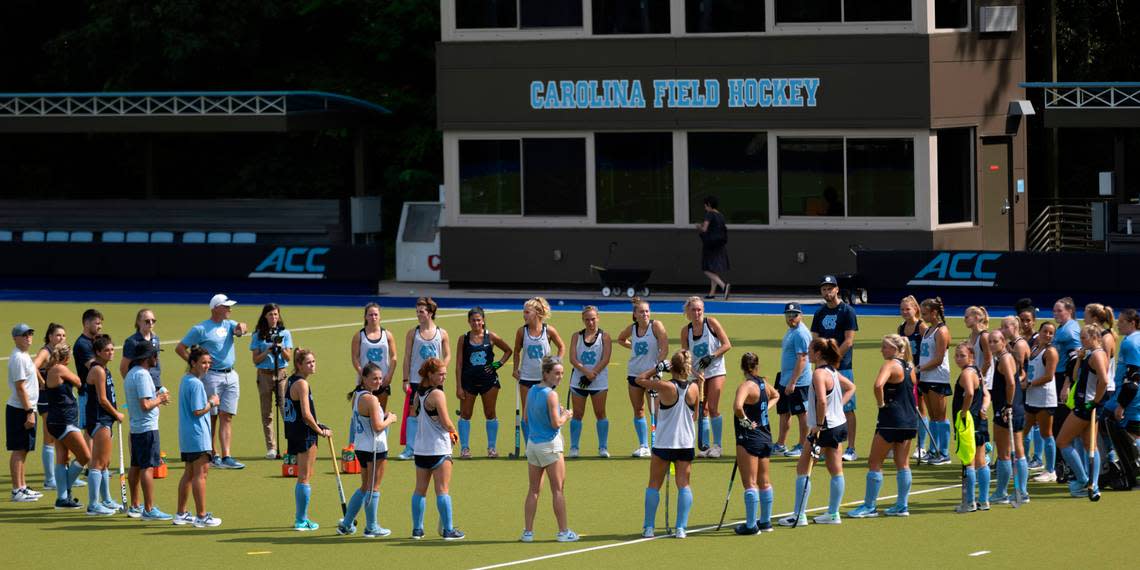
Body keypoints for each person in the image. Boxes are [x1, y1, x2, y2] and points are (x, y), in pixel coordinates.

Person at [779, 338, 855, 526]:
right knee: (836, 470)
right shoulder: (832, 371)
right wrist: (836, 408)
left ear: (818, 353)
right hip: (838, 425)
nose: (807, 354)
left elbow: (821, 401)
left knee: (803, 469)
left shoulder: (819, 374)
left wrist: (819, 426)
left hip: (824, 428)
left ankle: (799, 515)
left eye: (810, 351)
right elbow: (851, 387)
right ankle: (833, 513)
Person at [175, 294, 248, 469]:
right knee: (212, 416)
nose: (230, 309)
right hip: (211, 376)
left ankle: (227, 456)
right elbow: (180, 348)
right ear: (215, 308)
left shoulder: (229, 324)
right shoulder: (200, 329)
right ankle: (212, 454)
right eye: (226, 306)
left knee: (227, 416)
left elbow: (240, 329)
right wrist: (197, 366)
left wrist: (242, 328)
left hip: (231, 375)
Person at [848, 334, 918, 518]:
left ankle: (869, 507)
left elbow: (878, 385)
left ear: (895, 349)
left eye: (885, 347)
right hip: (909, 421)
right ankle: (902, 505)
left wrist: (881, 404)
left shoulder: (890, 365)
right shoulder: (910, 366)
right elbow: (913, 389)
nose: (881, 350)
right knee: (903, 463)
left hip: (891, 420)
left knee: (874, 462)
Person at [634, 350, 699, 539]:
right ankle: (681, 528)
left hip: (664, 443)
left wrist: (657, 368)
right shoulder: (694, 388)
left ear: (673, 367)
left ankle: (648, 527)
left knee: (654, 484)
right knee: (684, 485)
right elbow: (695, 415)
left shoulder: (664, 386)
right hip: (685, 443)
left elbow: (639, 379)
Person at [337, 363, 399, 538]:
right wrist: (391, 419)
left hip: (361, 447)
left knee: (365, 487)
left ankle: (347, 523)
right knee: (374, 487)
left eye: (380, 378)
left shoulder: (357, 395)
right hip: (374, 448)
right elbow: (378, 427)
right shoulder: (371, 399)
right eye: (374, 378)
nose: (378, 382)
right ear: (364, 379)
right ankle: (371, 527)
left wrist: (383, 416)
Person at [521, 355, 578, 543]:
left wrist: (553, 413)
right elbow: (555, 424)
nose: (560, 377)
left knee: (533, 490)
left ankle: (527, 532)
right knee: (558, 490)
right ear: (546, 373)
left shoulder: (531, 390)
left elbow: (528, 419)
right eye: (556, 373)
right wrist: (566, 415)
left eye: (561, 373)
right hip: (550, 447)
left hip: (532, 446)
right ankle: (563, 532)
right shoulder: (551, 394)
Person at [410, 357, 464, 540]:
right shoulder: (437, 395)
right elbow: (445, 420)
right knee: (442, 490)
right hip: (439, 449)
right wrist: (454, 431)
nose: (444, 377)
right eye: (440, 374)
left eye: (445, 374)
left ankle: (417, 530)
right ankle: (448, 530)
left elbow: (413, 413)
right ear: (430, 374)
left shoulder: (419, 393)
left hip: (420, 449)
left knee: (420, 490)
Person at [1057, 325, 1111, 497]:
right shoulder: (1089, 354)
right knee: (1089, 445)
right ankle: (1092, 486)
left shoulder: (1098, 355)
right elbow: (1074, 377)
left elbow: (1103, 380)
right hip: (1085, 403)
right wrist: (1080, 359)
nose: (1081, 341)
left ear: (1094, 337)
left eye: (1084, 338)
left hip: (1086, 406)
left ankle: (1082, 479)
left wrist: (1095, 402)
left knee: (1062, 441)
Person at [811, 275, 859, 462]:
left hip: (843, 366)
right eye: (824, 289)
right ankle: (824, 446)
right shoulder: (819, 313)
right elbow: (815, 338)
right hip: (823, 369)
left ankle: (851, 448)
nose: (827, 292)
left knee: (847, 407)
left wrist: (832, 358)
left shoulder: (847, 311)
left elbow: (849, 340)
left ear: (837, 289)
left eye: (830, 288)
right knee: (822, 405)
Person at [123, 342, 172, 520]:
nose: (156, 358)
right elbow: (145, 405)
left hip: (137, 428)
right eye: (154, 355)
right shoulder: (143, 375)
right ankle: (149, 509)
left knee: (136, 466)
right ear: (146, 358)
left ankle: (136, 505)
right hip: (147, 428)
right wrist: (160, 399)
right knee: (147, 468)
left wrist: (157, 398)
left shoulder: (131, 374)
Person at [732, 352, 779, 534]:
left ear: (743, 367)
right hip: (766, 437)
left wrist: (745, 421)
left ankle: (751, 525)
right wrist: (764, 411)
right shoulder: (763, 384)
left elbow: (737, 406)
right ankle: (765, 522)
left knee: (750, 483)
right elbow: (776, 395)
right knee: (764, 481)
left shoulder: (746, 386)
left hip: (749, 438)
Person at [174, 347, 222, 528]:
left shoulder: (185, 380)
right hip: (198, 436)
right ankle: (201, 516)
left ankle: (181, 513)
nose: (207, 366)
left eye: (209, 362)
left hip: (187, 436)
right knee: (200, 475)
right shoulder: (195, 384)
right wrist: (212, 402)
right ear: (193, 363)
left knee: (189, 474)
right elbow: (197, 411)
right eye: (203, 362)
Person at [284, 348, 331, 531]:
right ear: (299, 365)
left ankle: (301, 518)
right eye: (309, 362)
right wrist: (320, 431)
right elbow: (305, 415)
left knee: (304, 476)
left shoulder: (292, 381)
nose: (313, 365)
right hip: (304, 433)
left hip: (295, 432)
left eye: (314, 361)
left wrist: (318, 423)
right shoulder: (302, 384)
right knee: (305, 477)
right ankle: (301, 520)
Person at [455, 307, 511, 459]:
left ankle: (492, 448)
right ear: (468, 321)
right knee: (466, 414)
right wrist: (458, 386)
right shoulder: (464, 339)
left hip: (489, 382)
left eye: (479, 320)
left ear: (483, 320)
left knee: (490, 413)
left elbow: (508, 350)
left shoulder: (491, 336)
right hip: (468, 382)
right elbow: (459, 364)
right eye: (473, 320)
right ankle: (465, 449)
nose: (476, 323)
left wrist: (496, 365)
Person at [617, 298, 669, 458]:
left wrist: (657, 368)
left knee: (657, 410)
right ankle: (644, 446)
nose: (645, 314)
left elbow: (664, 347)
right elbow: (620, 339)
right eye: (641, 311)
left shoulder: (656, 326)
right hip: (634, 374)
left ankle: (661, 443)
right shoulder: (632, 329)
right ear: (635, 314)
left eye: (647, 311)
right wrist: (631, 346)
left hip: (651, 375)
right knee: (638, 410)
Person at [681, 296, 732, 457]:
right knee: (702, 410)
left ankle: (717, 446)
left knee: (714, 408)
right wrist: (694, 373)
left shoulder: (711, 323)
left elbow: (726, 344)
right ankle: (705, 447)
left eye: (699, 310)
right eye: (693, 310)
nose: (697, 313)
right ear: (688, 312)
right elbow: (686, 356)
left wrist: (711, 356)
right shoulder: (686, 331)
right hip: (698, 373)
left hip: (716, 370)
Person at [400, 297, 451, 460]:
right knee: (413, 411)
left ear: (430, 313)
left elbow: (448, 354)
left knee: (436, 412)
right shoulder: (412, 333)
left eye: (421, 311)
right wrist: (405, 379)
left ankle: (439, 444)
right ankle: (410, 449)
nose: (418, 314)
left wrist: (442, 367)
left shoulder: (441, 333)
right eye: (417, 311)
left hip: (435, 381)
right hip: (416, 379)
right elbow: (407, 356)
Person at [43, 343, 91, 510]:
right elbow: (78, 381)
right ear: (66, 357)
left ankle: (62, 499)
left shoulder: (54, 369)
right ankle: (63, 491)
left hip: (58, 420)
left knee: (63, 458)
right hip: (64, 421)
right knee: (85, 456)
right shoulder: (59, 369)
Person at [513, 297, 564, 446]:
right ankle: (530, 444)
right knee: (527, 414)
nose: (524, 315)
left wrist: (557, 363)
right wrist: (515, 368)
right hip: (527, 377)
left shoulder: (549, 330)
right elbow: (516, 351)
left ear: (537, 313)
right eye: (524, 312)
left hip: (546, 379)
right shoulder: (522, 331)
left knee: (550, 411)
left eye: (527, 312)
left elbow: (561, 346)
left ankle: (552, 440)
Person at [250, 303, 294, 460]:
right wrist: (268, 350)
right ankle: (271, 447)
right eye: (270, 315)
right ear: (265, 316)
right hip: (264, 374)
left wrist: (281, 347)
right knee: (266, 412)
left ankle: (292, 445)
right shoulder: (258, 335)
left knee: (285, 409)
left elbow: (289, 357)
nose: (274, 317)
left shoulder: (285, 333)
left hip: (281, 373)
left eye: (276, 314)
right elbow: (255, 360)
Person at [84, 334, 122, 515]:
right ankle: (93, 504)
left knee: (105, 462)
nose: (111, 352)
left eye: (112, 349)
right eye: (106, 350)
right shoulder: (98, 370)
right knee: (98, 463)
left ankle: (106, 499)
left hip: (105, 419)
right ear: (98, 352)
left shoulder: (104, 369)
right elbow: (102, 399)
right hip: (100, 419)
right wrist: (117, 414)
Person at [567, 306, 612, 459]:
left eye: (593, 319)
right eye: (587, 319)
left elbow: (605, 359)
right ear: (583, 320)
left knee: (600, 413)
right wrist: (585, 372)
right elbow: (573, 358)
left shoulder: (605, 337)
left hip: (598, 381)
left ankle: (603, 447)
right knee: (578, 414)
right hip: (579, 381)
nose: (590, 322)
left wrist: (593, 374)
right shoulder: (576, 336)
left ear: (597, 318)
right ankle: (574, 447)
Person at [951, 343, 991, 513]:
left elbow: (969, 393)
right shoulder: (977, 372)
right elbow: (986, 394)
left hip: (968, 423)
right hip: (979, 421)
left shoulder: (967, 373)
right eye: (957, 355)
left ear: (971, 357)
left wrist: (963, 413)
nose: (958, 358)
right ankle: (984, 500)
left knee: (969, 463)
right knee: (981, 462)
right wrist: (983, 409)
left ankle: (969, 502)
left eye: (962, 355)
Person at [988, 332, 1028, 504]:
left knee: (1005, 453)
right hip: (1017, 408)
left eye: (995, 341)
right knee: (1019, 452)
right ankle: (1022, 491)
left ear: (1003, 342)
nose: (991, 344)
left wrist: (1008, 405)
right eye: (989, 342)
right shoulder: (1007, 357)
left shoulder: (1004, 359)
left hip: (1007, 410)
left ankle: (1001, 492)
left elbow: (1011, 383)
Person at [33, 323, 72, 491]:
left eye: (63, 335)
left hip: (56, 398)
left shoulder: (59, 353)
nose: (61, 338)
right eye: (58, 335)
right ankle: (50, 479)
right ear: (50, 336)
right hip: (45, 398)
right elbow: (33, 366)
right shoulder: (45, 352)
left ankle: (66, 474)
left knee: (63, 436)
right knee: (49, 436)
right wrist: (43, 383)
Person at [8, 323, 43, 503]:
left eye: (30, 334)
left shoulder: (24, 355)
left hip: (27, 408)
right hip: (21, 409)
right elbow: (20, 387)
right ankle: (16, 490)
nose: (28, 337)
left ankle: (22, 486)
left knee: (24, 450)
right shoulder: (18, 358)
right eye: (24, 335)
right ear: (15, 338)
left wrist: (41, 381)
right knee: (19, 450)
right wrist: (29, 411)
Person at [917, 298, 952, 466]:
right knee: (932, 417)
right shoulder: (927, 330)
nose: (922, 316)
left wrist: (920, 368)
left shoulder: (942, 331)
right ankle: (933, 450)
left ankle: (944, 452)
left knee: (940, 416)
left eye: (924, 313)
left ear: (934, 312)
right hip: (926, 377)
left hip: (938, 378)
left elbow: (938, 359)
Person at [776, 302, 812, 458]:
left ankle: (803, 445)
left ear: (801, 315)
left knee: (801, 414)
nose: (791, 318)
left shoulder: (801, 333)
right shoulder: (791, 330)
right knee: (784, 413)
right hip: (785, 379)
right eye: (788, 315)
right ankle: (780, 445)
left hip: (799, 382)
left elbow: (803, 359)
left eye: (795, 315)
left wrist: (793, 382)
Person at [1025, 322, 1059, 483]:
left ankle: (1050, 470)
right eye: (1045, 331)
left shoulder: (1050, 352)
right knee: (1022, 431)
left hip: (1045, 399)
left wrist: (1029, 384)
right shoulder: (1033, 349)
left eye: (1051, 333)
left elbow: (1049, 376)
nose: (1048, 335)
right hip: (1031, 397)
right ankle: (1020, 464)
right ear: (1039, 332)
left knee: (1046, 434)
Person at [898, 296, 932, 459]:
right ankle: (899, 442)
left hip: (921, 373)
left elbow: (930, 349)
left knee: (921, 408)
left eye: (908, 309)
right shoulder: (901, 328)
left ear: (916, 309)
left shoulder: (922, 327)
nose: (905, 312)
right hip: (906, 373)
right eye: (902, 309)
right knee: (906, 407)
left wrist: (920, 368)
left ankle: (921, 446)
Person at [351, 303, 397, 415]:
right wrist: (362, 374)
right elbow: (355, 358)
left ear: (380, 316)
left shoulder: (387, 335)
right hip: (365, 381)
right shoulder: (359, 336)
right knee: (361, 414)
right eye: (370, 315)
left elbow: (394, 357)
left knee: (381, 414)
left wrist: (389, 376)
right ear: (366, 317)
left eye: (376, 314)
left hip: (382, 381)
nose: (373, 317)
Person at [1106, 309, 1140, 442]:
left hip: (1129, 401)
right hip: (1127, 398)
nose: (1117, 324)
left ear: (1132, 323)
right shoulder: (1133, 339)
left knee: (1131, 439)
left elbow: (1134, 378)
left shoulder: (1131, 343)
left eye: (1121, 321)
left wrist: (1122, 405)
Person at [72, 309, 103, 451]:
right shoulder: (82, 344)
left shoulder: (93, 341)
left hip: (96, 391)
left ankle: (95, 465)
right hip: (87, 392)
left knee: (97, 427)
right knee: (90, 430)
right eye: (97, 323)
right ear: (86, 323)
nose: (100, 326)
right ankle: (90, 466)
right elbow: (94, 366)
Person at [696, 195, 730, 300]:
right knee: (713, 269)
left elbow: (705, 229)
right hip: (719, 245)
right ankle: (712, 293)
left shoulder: (709, 214)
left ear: (708, 205)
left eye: (705, 205)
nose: (705, 208)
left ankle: (724, 286)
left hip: (710, 245)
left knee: (706, 268)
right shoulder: (720, 215)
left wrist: (699, 226)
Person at [120, 308, 163, 390]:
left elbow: (156, 362)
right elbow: (123, 367)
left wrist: (159, 386)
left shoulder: (155, 338)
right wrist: (131, 384)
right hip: (140, 383)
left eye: (153, 321)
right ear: (138, 322)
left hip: (155, 383)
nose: (151, 323)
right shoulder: (132, 342)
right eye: (147, 321)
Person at [1052, 298, 1082, 401]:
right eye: (1054, 311)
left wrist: (1066, 386)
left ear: (1070, 311)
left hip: (1064, 376)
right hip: (1059, 374)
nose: (1055, 314)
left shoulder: (1069, 331)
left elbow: (1074, 359)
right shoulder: (1063, 327)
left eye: (1059, 311)